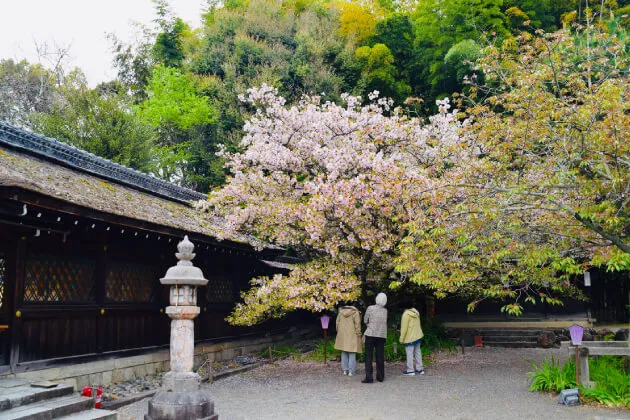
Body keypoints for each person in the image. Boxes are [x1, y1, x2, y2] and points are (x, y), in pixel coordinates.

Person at [362, 293, 387, 383]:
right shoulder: (385, 311)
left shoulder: (370, 308)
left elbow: (365, 320)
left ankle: (369, 377)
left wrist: (369, 325)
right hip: (381, 335)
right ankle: (380, 377)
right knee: (380, 356)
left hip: (370, 334)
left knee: (368, 356)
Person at [334, 304, 362, 376]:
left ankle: (344, 370)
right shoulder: (355, 312)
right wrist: (359, 334)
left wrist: (339, 331)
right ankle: (351, 371)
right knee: (352, 352)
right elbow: (357, 325)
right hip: (352, 335)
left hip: (342, 335)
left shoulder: (341, 312)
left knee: (344, 352)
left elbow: (337, 323)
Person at [400, 307, 424, 376]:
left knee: (409, 353)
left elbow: (404, 329)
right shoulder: (416, 313)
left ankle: (410, 370)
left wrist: (401, 339)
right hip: (418, 335)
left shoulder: (405, 315)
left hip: (409, 337)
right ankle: (420, 369)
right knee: (418, 352)